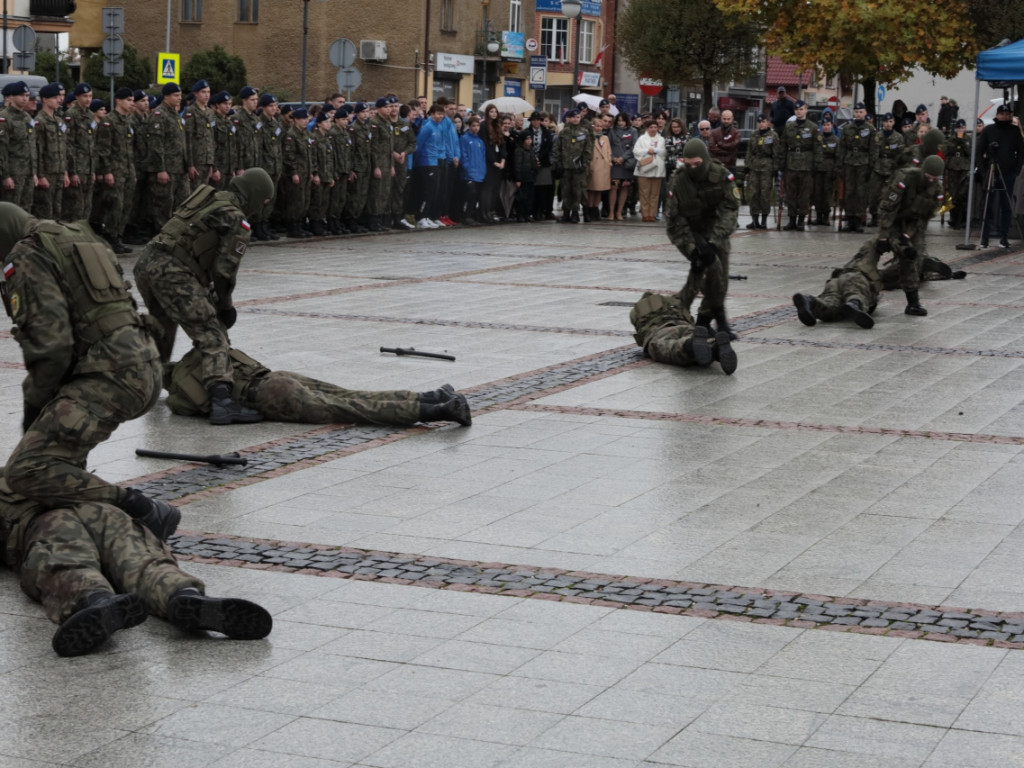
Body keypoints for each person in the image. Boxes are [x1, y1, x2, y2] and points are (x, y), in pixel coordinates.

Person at [0, 202, 178, 542]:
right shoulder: (77, 236)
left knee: (27, 469)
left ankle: (141, 509)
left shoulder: (25, 252)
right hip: (143, 364)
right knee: (58, 453)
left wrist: (34, 407)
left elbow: (51, 346)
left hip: (110, 377)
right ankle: (82, 521)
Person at [0, 479, 273, 657]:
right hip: (102, 511)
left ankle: (98, 601)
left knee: (64, 560)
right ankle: (182, 596)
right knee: (141, 558)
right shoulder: (36, 465)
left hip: (46, 520)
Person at [133, 168, 276, 424]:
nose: (263, 207)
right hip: (172, 272)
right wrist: (225, 306)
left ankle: (146, 387)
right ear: (255, 195)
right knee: (212, 334)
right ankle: (221, 401)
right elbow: (224, 272)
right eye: (264, 201)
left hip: (147, 263)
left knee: (162, 327)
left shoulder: (210, 197)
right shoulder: (236, 219)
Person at [163, 345, 472, 427]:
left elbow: (207, 410)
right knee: (351, 395)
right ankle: (430, 395)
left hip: (270, 396)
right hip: (277, 377)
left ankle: (437, 410)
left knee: (354, 410)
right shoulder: (201, 353)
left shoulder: (177, 394)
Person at [666, 139, 741, 338]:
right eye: (688, 164)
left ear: (706, 160)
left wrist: (714, 241)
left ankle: (705, 320)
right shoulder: (678, 181)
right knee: (706, 267)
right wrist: (692, 248)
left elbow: (730, 210)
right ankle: (693, 315)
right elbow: (674, 221)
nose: (693, 169)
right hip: (690, 233)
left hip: (717, 231)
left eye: (697, 164)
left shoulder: (722, 176)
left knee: (720, 277)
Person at [876, 154, 947, 315]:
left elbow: (925, 217)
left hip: (914, 225)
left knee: (911, 258)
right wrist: (883, 235)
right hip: (893, 220)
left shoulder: (937, 190)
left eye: (935, 178)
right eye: (929, 176)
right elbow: (888, 207)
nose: (931, 180)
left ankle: (913, 303)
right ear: (923, 171)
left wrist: (908, 234)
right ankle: (868, 281)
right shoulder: (905, 178)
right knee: (874, 250)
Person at [629, 292, 736, 374]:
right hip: (684, 325)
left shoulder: (637, 312)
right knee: (696, 337)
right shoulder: (672, 303)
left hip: (660, 331)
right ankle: (714, 346)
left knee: (670, 347)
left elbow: (641, 335)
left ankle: (689, 346)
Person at [792, 239, 887, 329]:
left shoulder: (856, 259)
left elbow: (869, 246)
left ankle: (811, 301)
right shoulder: (868, 266)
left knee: (830, 304)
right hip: (856, 278)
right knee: (856, 293)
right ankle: (854, 304)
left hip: (836, 280)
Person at [143, 83, 191, 231]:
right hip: (167, 168)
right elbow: (156, 145)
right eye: (176, 95)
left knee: (182, 202)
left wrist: (187, 164)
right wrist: (160, 169)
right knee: (164, 204)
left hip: (179, 168)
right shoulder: (159, 115)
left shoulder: (175, 114)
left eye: (180, 95)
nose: (179, 98)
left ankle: (177, 232)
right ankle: (162, 235)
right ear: (166, 96)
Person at [977, 104, 1024, 248]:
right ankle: (984, 237)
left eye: (1007, 114)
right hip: (991, 171)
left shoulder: (1014, 131)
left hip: (1008, 172)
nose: (1005, 116)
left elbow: (1021, 152)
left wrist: (1016, 170)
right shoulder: (989, 130)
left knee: (1006, 205)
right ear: (997, 115)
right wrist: (984, 169)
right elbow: (979, 150)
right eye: (1002, 113)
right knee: (987, 205)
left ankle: (1004, 236)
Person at [779, 100, 821, 231]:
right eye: (796, 109)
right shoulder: (789, 126)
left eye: (801, 109)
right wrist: (781, 163)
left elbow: (817, 148)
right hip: (791, 164)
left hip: (806, 164)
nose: (799, 111)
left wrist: (816, 164)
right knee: (790, 194)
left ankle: (801, 220)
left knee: (804, 194)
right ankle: (791, 219)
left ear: (806, 110)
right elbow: (783, 146)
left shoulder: (813, 127)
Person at [31, 82, 70, 221]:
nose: (59, 100)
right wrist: (40, 175)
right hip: (47, 173)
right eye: (54, 97)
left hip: (59, 171)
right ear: (45, 99)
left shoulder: (59, 120)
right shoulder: (39, 121)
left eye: (59, 97)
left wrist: (65, 172)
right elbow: (38, 150)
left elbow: (63, 148)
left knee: (57, 210)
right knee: (44, 211)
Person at [0, 81, 38, 212]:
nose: (25, 98)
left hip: (28, 173)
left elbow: (32, 146)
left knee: (26, 210)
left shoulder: (27, 118)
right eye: (22, 95)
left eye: (27, 95)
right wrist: (5, 176)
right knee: (11, 211)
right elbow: (2, 149)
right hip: (13, 173)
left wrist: (34, 173)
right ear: (12, 96)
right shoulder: (4, 118)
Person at [838, 102, 875, 232]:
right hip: (849, 162)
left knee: (861, 193)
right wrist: (840, 164)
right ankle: (850, 218)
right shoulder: (847, 129)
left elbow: (873, 149)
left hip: (863, 163)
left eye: (861, 112)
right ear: (853, 113)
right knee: (849, 191)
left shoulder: (870, 129)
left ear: (865, 113)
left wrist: (871, 166)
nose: (858, 114)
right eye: (856, 112)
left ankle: (859, 219)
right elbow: (842, 147)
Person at [553, 108, 592, 223]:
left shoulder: (584, 132)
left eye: (578, 117)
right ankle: (566, 213)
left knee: (577, 191)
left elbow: (587, 150)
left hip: (578, 167)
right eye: (573, 117)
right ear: (569, 119)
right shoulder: (564, 132)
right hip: (565, 166)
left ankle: (575, 213)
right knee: (566, 190)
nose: (576, 119)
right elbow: (557, 149)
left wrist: (584, 164)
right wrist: (558, 162)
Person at [746, 113, 779, 230]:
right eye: (759, 122)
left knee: (765, 193)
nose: (761, 124)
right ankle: (754, 219)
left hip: (767, 167)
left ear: (767, 122)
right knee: (754, 193)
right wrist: (747, 165)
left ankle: (764, 219)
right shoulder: (754, 134)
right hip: (755, 166)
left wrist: (775, 168)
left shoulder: (773, 135)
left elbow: (776, 153)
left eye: (764, 121)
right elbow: (749, 151)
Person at [632, 118, 666, 222]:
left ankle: (653, 214)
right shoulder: (642, 139)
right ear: (647, 128)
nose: (653, 129)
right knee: (644, 192)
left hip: (657, 168)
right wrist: (647, 151)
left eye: (655, 127)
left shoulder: (661, 139)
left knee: (655, 193)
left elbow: (665, 152)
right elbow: (636, 151)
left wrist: (657, 151)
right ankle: (645, 214)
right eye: (651, 127)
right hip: (644, 168)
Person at [608, 111, 637, 221]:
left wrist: (623, 158)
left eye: (623, 120)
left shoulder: (633, 131)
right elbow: (608, 145)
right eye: (619, 120)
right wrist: (613, 158)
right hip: (614, 163)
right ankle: (611, 212)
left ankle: (619, 212)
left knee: (624, 187)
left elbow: (634, 146)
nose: (621, 123)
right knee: (614, 187)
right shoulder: (612, 131)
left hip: (626, 163)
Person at [943, 119, 971, 229]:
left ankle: (963, 218)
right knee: (952, 194)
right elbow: (947, 151)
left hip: (964, 168)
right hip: (953, 168)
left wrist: (963, 142)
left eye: (963, 128)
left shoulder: (968, 139)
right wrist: (955, 141)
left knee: (963, 194)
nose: (961, 130)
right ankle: (953, 218)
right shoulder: (951, 139)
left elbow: (970, 152)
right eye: (959, 128)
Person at [586, 115, 612, 221]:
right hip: (594, 166)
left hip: (604, 167)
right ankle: (590, 208)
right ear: (592, 126)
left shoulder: (605, 138)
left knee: (600, 190)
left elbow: (608, 151)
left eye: (601, 126)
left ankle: (596, 208)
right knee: (592, 189)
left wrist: (608, 161)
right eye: (597, 126)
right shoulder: (589, 137)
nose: (599, 128)